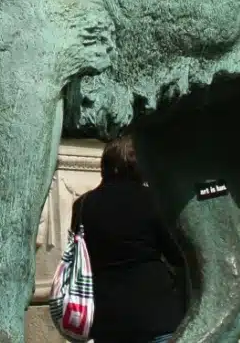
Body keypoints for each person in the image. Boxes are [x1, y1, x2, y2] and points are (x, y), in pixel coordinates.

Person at [74, 137, 185, 343]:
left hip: (107, 317)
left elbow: (81, 253)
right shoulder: (153, 199)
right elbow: (176, 253)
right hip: (155, 313)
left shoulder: (82, 204)